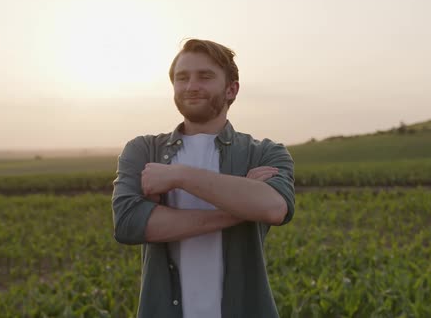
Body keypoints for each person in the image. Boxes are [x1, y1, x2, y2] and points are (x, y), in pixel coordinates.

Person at [111, 39, 295, 318]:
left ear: (231, 89)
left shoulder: (265, 152)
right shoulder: (144, 150)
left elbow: (274, 208)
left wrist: (179, 175)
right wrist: (244, 206)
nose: (190, 86)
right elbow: (129, 224)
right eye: (182, 78)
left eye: (205, 76)